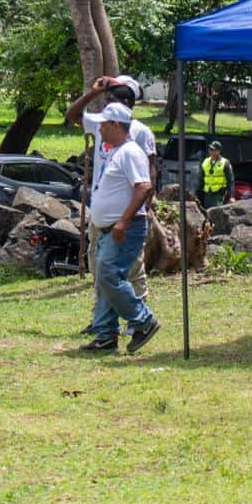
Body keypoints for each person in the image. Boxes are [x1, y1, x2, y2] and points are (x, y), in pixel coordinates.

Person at [66, 75, 159, 310]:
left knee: (132, 268)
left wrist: (142, 209)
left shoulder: (140, 132)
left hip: (126, 211)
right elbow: (72, 115)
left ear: (125, 103)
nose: (106, 104)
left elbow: (149, 173)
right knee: (98, 264)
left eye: (111, 99)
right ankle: (102, 318)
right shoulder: (102, 124)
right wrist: (92, 92)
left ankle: (139, 316)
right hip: (101, 209)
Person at [79, 102, 160, 353]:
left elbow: (144, 186)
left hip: (124, 228)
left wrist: (123, 220)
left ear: (116, 125)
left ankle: (144, 320)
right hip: (109, 228)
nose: (99, 129)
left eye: (103, 124)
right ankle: (105, 334)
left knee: (108, 275)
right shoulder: (116, 151)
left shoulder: (130, 152)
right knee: (105, 279)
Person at [199, 140, 234, 208]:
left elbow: (231, 181)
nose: (211, 151)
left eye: (213, 150)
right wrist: (198, 194)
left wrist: (231, 196)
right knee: (207, 213)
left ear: (219, 151)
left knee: (217, 213)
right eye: (210, 149)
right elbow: (201, 179)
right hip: (208, 194)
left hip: (219, 194)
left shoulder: (225, 163)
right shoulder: (205, 162)